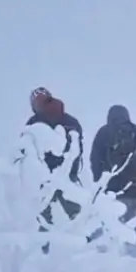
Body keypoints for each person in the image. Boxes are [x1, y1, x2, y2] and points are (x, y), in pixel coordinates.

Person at [89, 105, 136, 252]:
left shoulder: (104, 132)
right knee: (131, 229)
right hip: (135, 190)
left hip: (111, 191)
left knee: (106, 227)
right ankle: (132, 259)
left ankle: (102, 257)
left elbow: (95, 160)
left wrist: (100, 182)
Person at [25, 87, 85, 246]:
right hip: (66, 177)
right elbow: (78, 150)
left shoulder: (33, 123)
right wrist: (71, 173)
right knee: (80, 216)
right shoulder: (71, 121)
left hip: (43, 180)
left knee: (43, 220)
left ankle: (43, 252)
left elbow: (26, 152)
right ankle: (90, 245)